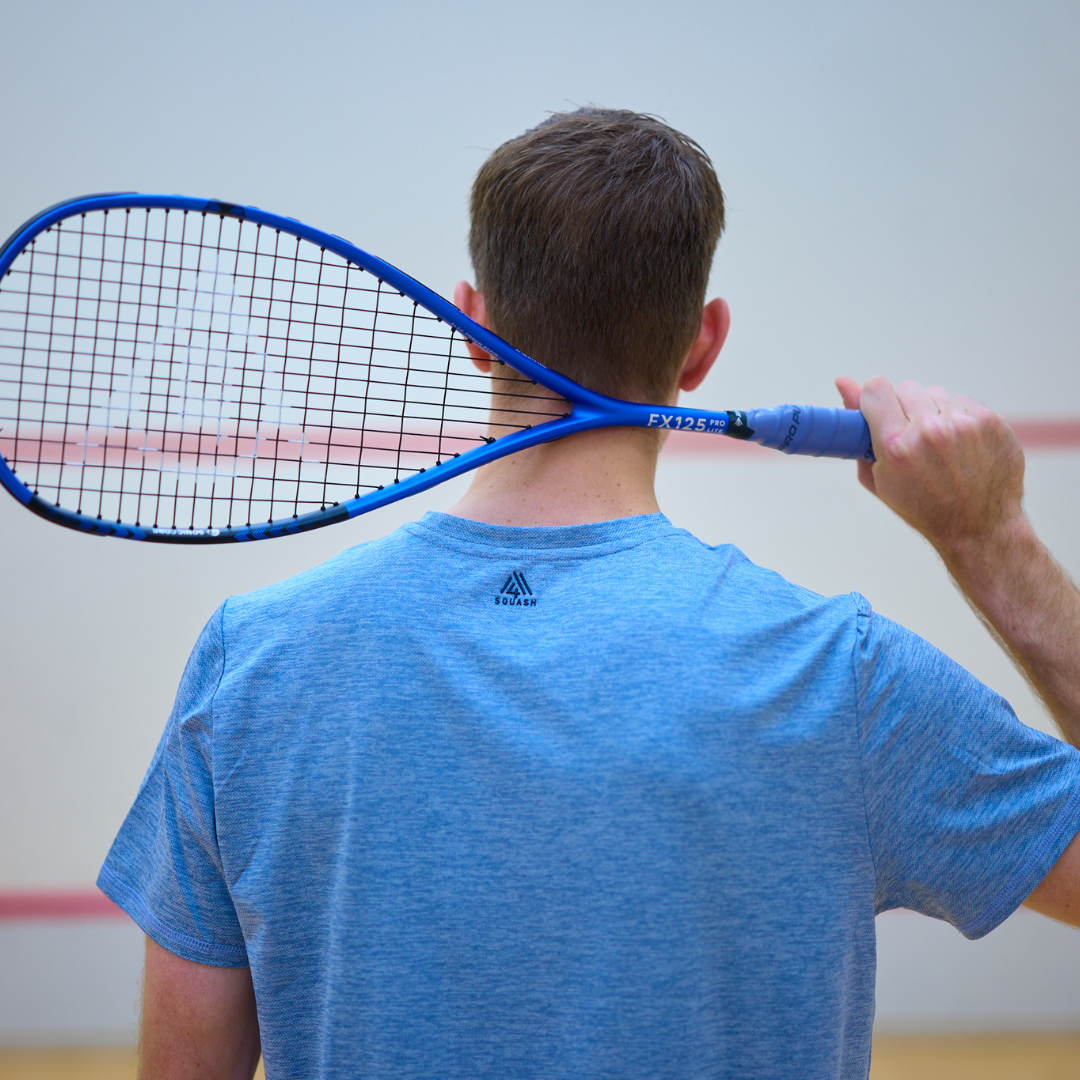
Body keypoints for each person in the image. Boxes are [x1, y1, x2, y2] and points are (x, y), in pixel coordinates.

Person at [99, 108, 1080, 1079]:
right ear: (702, 346)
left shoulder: (250, 664)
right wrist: (994, 545)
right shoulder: (848, 679)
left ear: (471, 324)